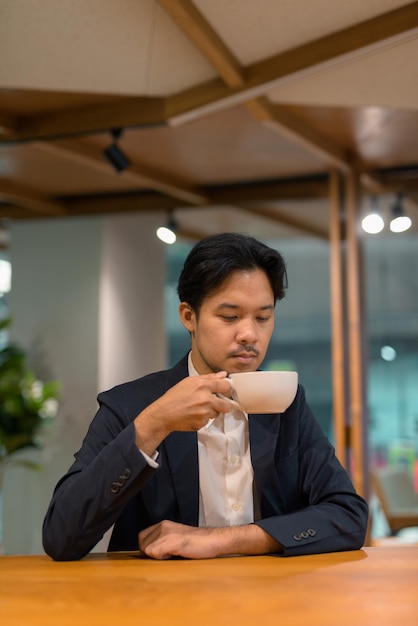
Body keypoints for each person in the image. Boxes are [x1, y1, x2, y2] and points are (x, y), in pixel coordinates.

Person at [42, 232, 368, 561]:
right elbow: (61, 537)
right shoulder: (130, 406)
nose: (249, 334)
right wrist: (155, 424)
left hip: (272, 601)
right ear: (189, 317)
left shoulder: (285, 401)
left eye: (263, 317)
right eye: (229, 317)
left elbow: (348, 516)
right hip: (160, 603)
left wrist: (221, 541)